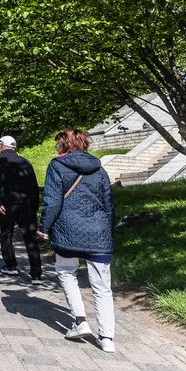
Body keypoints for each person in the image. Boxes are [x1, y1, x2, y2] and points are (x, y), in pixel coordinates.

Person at [39, 128, 117, 353]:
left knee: (65, 271)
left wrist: (44, 227)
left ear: (63, 145)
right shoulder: (99, 168)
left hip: (67, 230)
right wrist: (108, 231)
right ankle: (107, 338)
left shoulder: (57, 166)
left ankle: (80, 321)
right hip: (98, 231)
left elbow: (52, 202)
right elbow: (108, 203)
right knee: (102, 286)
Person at [0, 135, 43, 284]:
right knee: (30, 237)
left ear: (1, 145)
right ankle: (36, 273)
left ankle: (11, 266)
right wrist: (35, 205)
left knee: (6, 233)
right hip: (27, 204)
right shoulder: (25, 162)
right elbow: (33, 184)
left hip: (8, 204)